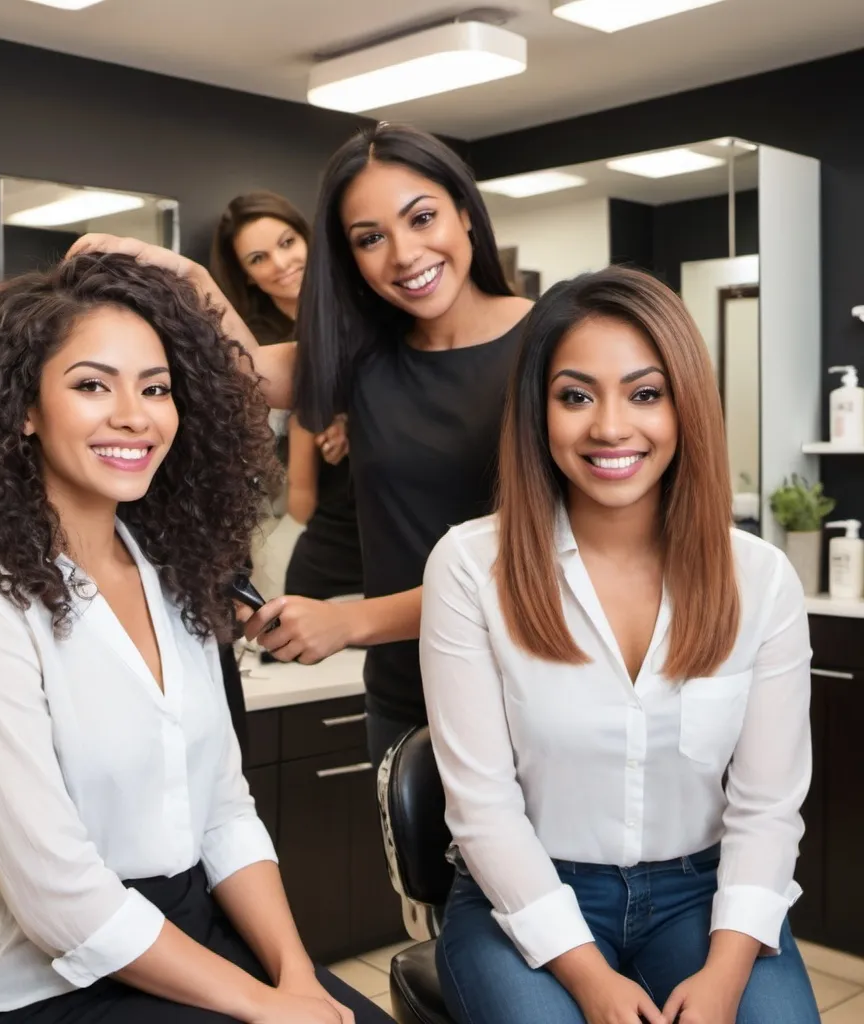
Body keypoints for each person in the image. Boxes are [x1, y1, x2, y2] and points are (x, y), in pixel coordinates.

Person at [0, 253, 393, 1024]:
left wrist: (296, 978)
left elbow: (223, 812)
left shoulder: (177, 580)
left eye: (156, 388)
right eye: (92, 385)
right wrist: (261, 1006)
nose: (135, 414)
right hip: (52, 985)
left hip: (196, 937)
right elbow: (61, 900)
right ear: (23, 408)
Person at [419, 266, 818, 1024]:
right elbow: (483, 810)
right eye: (575, 395)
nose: (609, 426)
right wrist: (591, 981)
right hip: (526, 894)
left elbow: (767, 809)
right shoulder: (471, 567)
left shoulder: (760, 579)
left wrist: (727, 976)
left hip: (700, 897)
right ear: (538, 412)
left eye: (644, 393)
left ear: (685, 406)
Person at [69, 123, 533, 768]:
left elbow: (552, 564)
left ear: (466, 213)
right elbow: (245, 369)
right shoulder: (365, 358)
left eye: (422, 217)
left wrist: (352, 622)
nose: (403, 254)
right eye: (370, 238)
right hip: (408, 702)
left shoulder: (551, 346)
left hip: (533, 694)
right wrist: (184, 272)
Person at [211, 192, 362, 602]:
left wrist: (350, 418)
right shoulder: (254, 348)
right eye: (258, 258)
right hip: (309, 512)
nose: (281, 264)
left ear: (308, 239)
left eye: (287, 243)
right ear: (245, 275)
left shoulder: (362, 310)